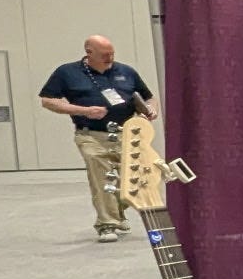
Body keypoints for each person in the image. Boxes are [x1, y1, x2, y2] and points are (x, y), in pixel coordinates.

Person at [39, 37, 157, 241]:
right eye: (104, 55)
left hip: (128, 134)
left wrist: (151, 109)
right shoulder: (67, 72)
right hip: (91, 135)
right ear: (89, 52)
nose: (110, 58)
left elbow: (149, 97)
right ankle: (107, 224)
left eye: (112, 53)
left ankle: (117, 211)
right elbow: (48, 101)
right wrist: (83, 110)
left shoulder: (126, 71)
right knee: (103, 178)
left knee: (135, 180)